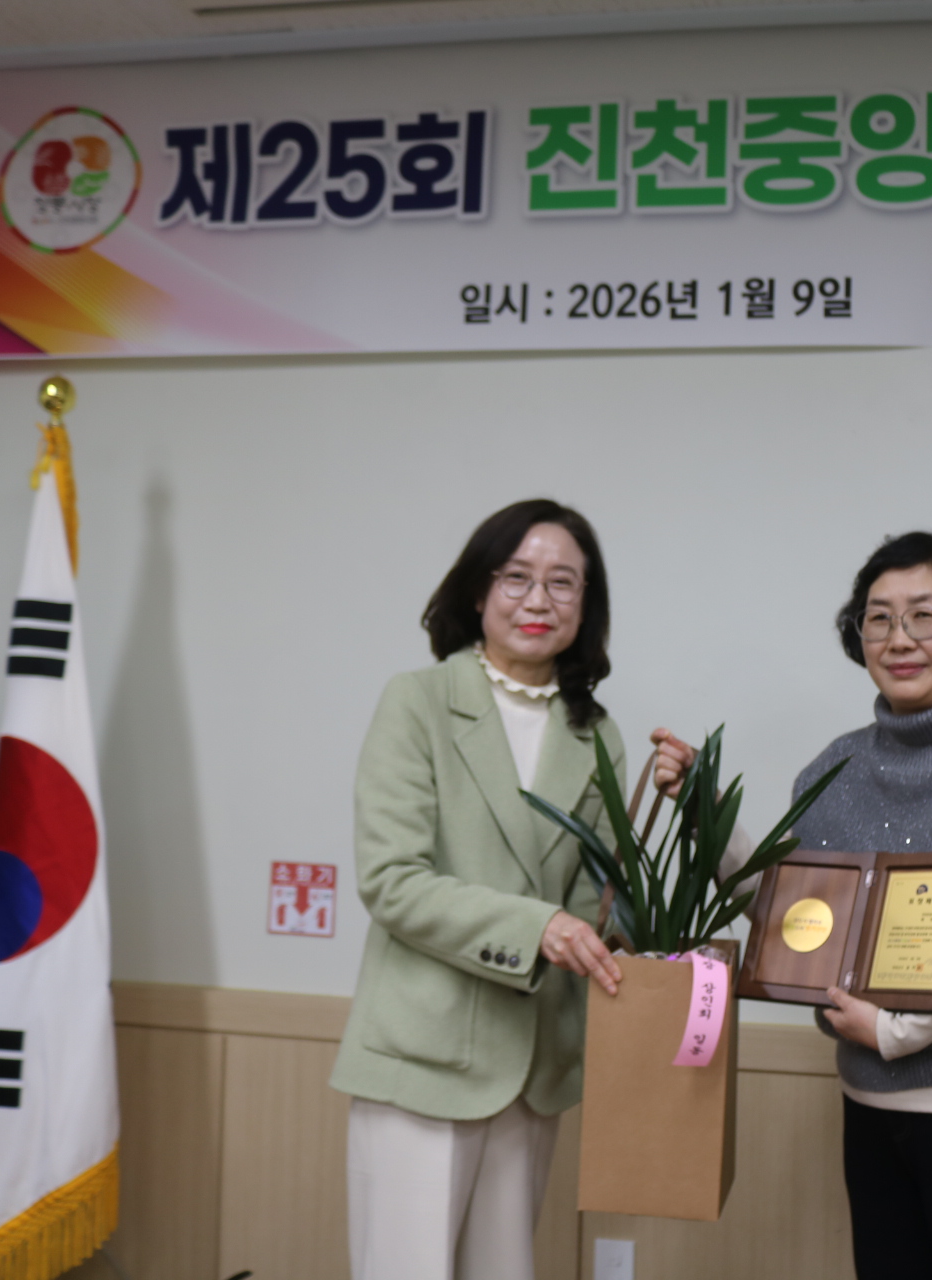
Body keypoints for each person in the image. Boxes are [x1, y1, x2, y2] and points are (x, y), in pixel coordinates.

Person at [654, 531, 932, 1280]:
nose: (899, 638)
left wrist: (896, 1031)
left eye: (924, 615)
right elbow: (794, 917)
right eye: (879, 618)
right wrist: (706, 814)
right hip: (873, 1105)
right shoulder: (835, 767)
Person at [330, 498, 630, 1280]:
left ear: (586, 605)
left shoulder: (596, 734)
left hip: (534, 1066)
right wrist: (539, 928)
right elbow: (392, 881)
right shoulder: (417, 701)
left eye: (562, 583)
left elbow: (597, 901)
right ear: (477, 590)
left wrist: (680, 811)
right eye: (516, 577)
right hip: (421, 1055)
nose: (538, 599)